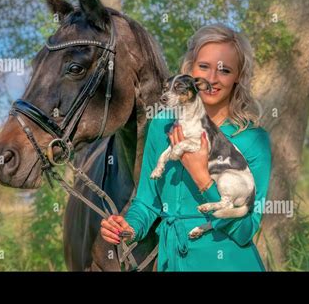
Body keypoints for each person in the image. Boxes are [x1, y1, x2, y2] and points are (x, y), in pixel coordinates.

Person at [100, 23, 272, 271]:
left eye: (224, 70)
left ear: (238, 78)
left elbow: (246, 229)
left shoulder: (253, 139)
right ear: (190, 69)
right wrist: (128, 227)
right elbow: (147, 202)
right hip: (173, 262)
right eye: (204, 67)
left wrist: (203, 179)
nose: (212, 79)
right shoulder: (161, 125)